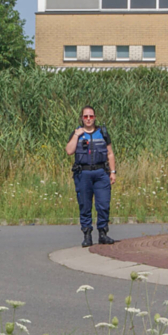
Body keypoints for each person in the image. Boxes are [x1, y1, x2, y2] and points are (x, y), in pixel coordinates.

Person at [65, 105, 117, 247]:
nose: (88, 119)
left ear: (95, 118)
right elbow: (69, 151)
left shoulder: (103, 133)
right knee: (85, 205)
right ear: (82, 118)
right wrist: (76, 135)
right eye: (86, 116)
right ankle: (87, 235)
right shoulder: (77, 133)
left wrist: (112, 172)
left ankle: (103, 234)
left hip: (101, 174)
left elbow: (110, 153)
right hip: (83, 174)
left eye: (91, 116)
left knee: (103, 204)